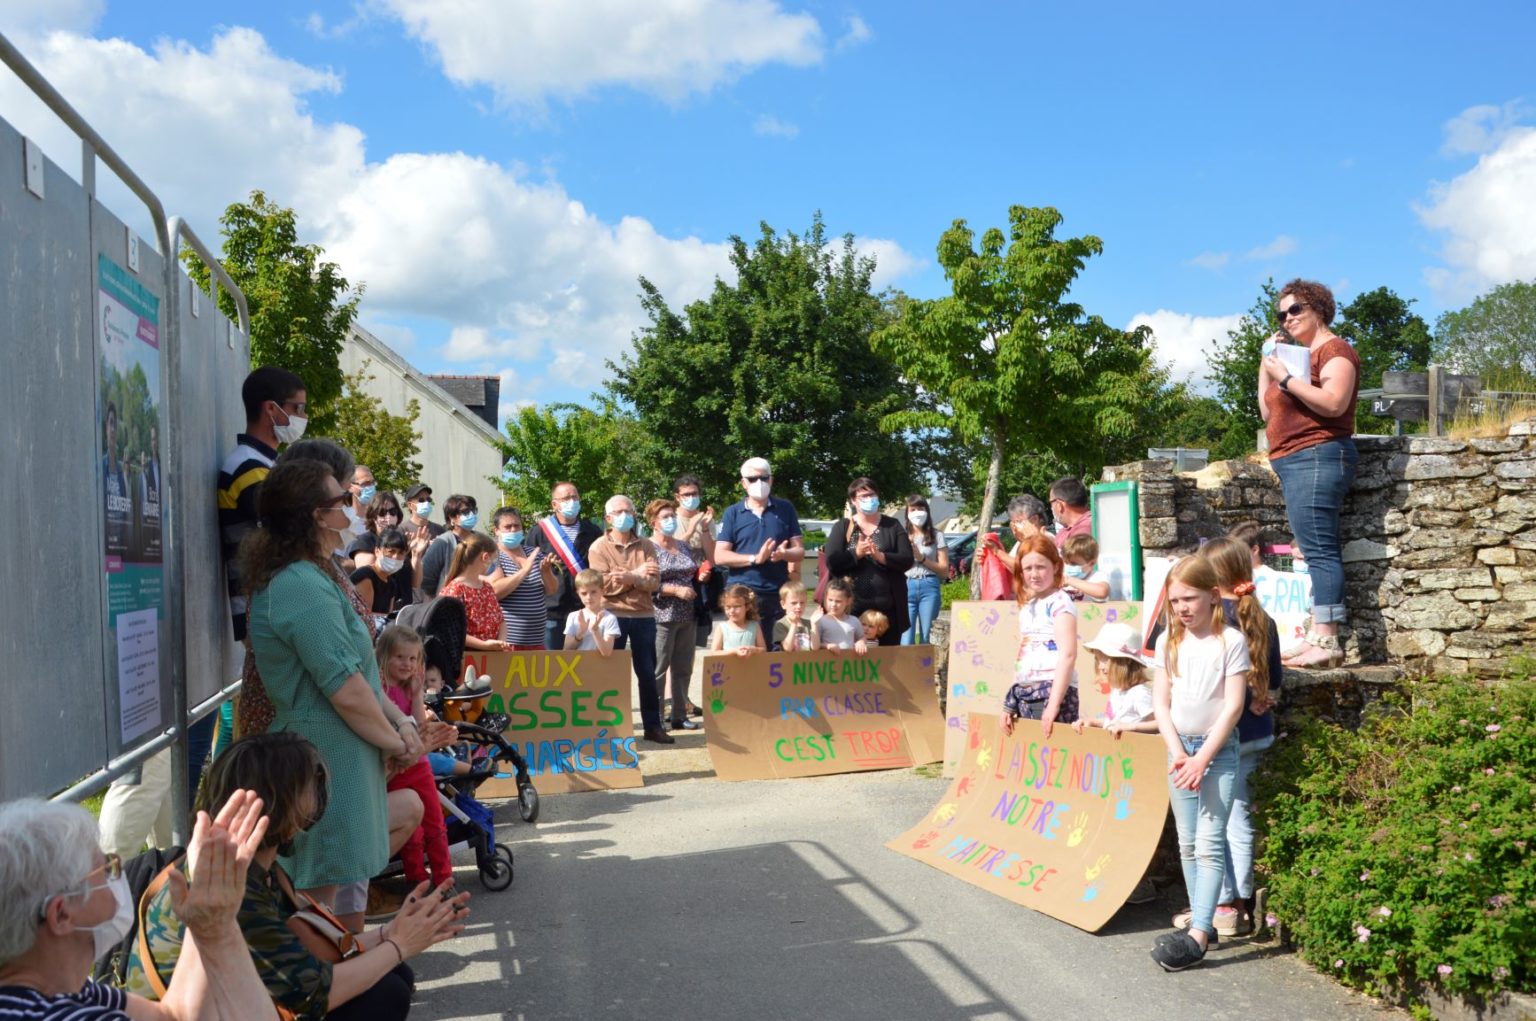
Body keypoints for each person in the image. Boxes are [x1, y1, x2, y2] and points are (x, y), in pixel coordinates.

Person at [124, 733, 469, 1021]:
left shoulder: (251, 866)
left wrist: (390, 933)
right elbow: (313, 995)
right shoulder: (237, 888)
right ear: (282, 808)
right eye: (308, 790)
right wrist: (399, 944)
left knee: (392, 975)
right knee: (385, 994)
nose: (317, 802)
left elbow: (301, 952)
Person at [241, 458, 425, 929]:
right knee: (316, 915)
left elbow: (360, 675)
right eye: (342, 499)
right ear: (315, 515)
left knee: (336, 908)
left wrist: (402, 725)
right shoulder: (298, 584)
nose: (351, 506)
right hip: (320, 759)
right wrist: (397, 742)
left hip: (337, 757)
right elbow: (345, 688)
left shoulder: (314, 573)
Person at [0, 792, 275, 1021]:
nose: (117, 875)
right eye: (106, 868)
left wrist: (207, 920)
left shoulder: (65, 990)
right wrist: (220, 932)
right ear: (61, 914)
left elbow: (172, 1016)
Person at [1148, 556, 1250, 972]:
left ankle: (1200, 934)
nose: (1182, 608)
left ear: (1212, 596)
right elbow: (1161, 703)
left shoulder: (1231, 642)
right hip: (1180, 751)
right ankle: (1199, 920)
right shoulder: (1168, 642)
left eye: (1189, 598)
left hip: (1216, 752)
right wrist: (1179, 754)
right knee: (1187, 842)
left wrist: (1202, 757)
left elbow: (1233, 707)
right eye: (1175, 601)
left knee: (1209, 843)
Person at [1258, 278, 1360, 668]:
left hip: (1317, 455)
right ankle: (1316, 635)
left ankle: (1328, 640)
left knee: (1319, 551)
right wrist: (1267, 365)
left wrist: (1287, 378)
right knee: (1312, 549)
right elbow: (1267, 412)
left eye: (1295, 309)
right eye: (1281, 314)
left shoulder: (1335, 350)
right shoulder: (1297, 359)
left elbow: (1334, 403)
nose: (1287, 318)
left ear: (1319, 308)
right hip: (1295, 460)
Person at [1196, 536, 1284, 939]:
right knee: (1240, 819)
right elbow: (1275, 682)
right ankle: (1243, 903)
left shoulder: (1213, 620)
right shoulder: (1263, 617)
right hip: (1257, 731)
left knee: (1213, 820)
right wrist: (1263, 698)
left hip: (1220, 734)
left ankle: (1224, 903)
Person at [375, 627, 456, 890]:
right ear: (384, 656)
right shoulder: (378, 690)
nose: (407, 664)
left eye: (412, 659)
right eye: (400, 657)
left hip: (418, 765)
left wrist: (418, 694)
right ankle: (417, 879)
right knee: (413, 831)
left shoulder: (410, 688)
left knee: (434, 822)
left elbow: (421, 729)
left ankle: (444, 879)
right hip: (395, 767)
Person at [587, 496, 669, 744]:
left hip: (644, 616)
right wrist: (637, 576)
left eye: (629, 511)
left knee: (648, 674)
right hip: (612, 616)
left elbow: (654, 582)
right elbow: (602, 586)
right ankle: (612, 730)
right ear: (608, 518)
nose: (625, 515)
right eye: (619, 512)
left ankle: (653, 727)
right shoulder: (598, 547)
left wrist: (629, 577)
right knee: (612, 675)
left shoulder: (647, 545)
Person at [714, 458, 805, 648]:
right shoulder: (733, 512)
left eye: (764, 478)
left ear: (771, 480)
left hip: (777, 593)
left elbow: (799, 551)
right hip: (743, 594)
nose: (759, 483)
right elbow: (720, 556)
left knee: (776, 651)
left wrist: (785, 554)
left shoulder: (785, 509)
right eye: (753, 479)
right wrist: (755, 559)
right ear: (743, 483)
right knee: (744, 651)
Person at [999, 535, 1079, 737]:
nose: (1034, 574)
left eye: (1040, 567)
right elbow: (1023, 653)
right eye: (1028, 568)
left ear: (1055, 567)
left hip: (1050, 690)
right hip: (1025, 690)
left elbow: (1068, 655)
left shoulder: (1060, 602)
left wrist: (1053, 705)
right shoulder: (1029, 606)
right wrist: (1010, 701)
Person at [823, 478, 913, 647]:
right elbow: (832, 562)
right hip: (851, 611)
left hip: (887, 612)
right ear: (853, 500)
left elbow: (907, 559)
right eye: (863, 496)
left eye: (872, 495)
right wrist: (856, 554)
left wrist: (881, 557)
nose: (869, 499)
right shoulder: (843, 526)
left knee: (887, 658)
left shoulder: (892, 525)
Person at [648, 499, 701, 731]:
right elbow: (646, 582)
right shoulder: (647, 548)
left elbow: (691, 572)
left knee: (683, 668)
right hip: (661, 615)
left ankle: (679, 715)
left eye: (672, 516)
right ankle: (657, 718)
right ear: (654, 522)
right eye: (665, 517)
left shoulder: (683, 546)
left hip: (687, 614)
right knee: (659, 669)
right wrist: (674, 590)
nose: (670, 520)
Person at [534, 482, 604, 652]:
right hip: (552, 612)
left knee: (584, 664)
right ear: (554, 504)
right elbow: (530, 568)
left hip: (584, 608)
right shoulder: (539, 532)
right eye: (566, 498)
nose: (572, 502)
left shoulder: (593, 531)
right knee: (553, 663)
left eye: (575, 497)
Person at [488, 507, 557, 651]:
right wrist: (524, 572)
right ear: (496, 531)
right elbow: (495, 591)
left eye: (517, 526)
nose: (513, 530)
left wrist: (546, 572)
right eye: (508, 527)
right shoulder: (493, 555)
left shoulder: (534, 553)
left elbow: (552, 590)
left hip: (537, 639)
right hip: (508, 642)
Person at [1071, 622, 1157, 736]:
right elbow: (1114, 723)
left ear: (1126, 661)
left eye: (1105, 660)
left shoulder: (1139, 693)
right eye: (1098, 660)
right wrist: (1093, 722)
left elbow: (1160, 724)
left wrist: (1131, 727)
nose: (1100, 666)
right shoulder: (1118, 691)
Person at [439, 534, 511, 652]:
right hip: (466, 657)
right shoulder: (454, 590)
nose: (495, 564)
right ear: (485, 557)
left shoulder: (487, 587)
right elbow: (449, 630)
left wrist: (501, 642)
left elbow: (501, 620)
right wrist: (484, 645)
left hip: (492, 656)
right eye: (494, 559)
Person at [672, 474, 717, 650]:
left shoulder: (706, 520)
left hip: (700, 587)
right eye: (687, 494)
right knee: (672, 646)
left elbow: (712, 557)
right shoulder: (670, 519)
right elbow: (669, 552)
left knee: (695, 644)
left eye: (695, 494)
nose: (691, 498)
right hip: (675, 586)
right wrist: (690, 529)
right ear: (677, 497)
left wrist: (704, 529)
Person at [901, 496, 948, 645]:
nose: (917, 512)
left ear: (927, 511)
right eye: (913, 509)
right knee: (905, 638)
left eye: (921, 509)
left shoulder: (937, 535)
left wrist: (921, 558)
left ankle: (925, 661)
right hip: (906, 585)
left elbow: (944, 570)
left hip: (929, 585)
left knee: (926, 636)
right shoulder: (901, 536)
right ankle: (907, 662)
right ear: (907, 513)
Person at [418, 496, 479, 600]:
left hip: (478, 604)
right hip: (449, 604)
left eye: (473, 510)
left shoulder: (481, 540)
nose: (471, 514)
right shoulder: (443, 542)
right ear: (452, 517)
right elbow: (426, 580)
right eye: (466, 512)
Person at [350, 529, 412, 620]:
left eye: (401, 553)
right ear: (377, 551)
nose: (395, 557)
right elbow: (364, 616)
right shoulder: (365, 576)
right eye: (391, 551)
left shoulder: (391, 583)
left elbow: (387, 613)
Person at [980, 493, 1050, 575]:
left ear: (1035, 519)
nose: (1015, 527)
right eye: (1013, 523)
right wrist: (988, 557)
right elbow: (1008, 568)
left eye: (1018, 521)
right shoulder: (1021, 542)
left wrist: (997, 551)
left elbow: (1022, 569)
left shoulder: (1047, 539)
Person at [563, 569, 619, 655]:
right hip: (578, 663)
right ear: (578, 594)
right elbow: (566, 650)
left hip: (599, 664)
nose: (589, 597)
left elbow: (607, 652)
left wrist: (595, 631)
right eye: (584, 593)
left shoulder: (609, 618)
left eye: (593, 592)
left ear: (602, 591)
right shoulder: (573, 616)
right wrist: (579, 634)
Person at [709, 585, 765, 657]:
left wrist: (753, 650)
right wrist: (734, 651)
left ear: (747, 607)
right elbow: (714, 652)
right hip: (728, 664)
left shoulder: (754, 626)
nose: (732, 611)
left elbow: (763, 649)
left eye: (736, 606)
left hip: (750, 664)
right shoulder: (722, 628)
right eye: (728, 607)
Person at [815, 577, 866, 654]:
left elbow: (861, 637)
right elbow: (815, 644)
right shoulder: (821, 621)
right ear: (825, 598)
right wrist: (827, 646)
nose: (833, 604)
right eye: (830, 600)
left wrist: (861, 642)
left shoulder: (854, 621)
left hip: (848, 661)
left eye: (838, 601)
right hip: (827, 661)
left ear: (848, 601)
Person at [1061, 534, 1111, 602]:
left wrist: (1069, 580)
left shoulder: (1098, 576)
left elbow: (1102, 592)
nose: (1069, 566)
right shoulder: (1062, 576)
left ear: (1092, 563)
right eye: (1066, 563)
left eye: (1074, 564)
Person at [1048, 477, 1093, 552]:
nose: (1051, 507)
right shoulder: (1067, 529)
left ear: (1059, 505)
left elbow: (1073, 556)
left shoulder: (1085, 529)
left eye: (1051, 502)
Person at [773, 582, 819, 652]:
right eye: (794, 603)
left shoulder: (808, 623)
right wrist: (794, 624)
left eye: (802, 603)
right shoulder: (781, 624)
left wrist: (814, 624)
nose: (799, 606)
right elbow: (787, 648)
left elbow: (815, 647)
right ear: (783, 604)